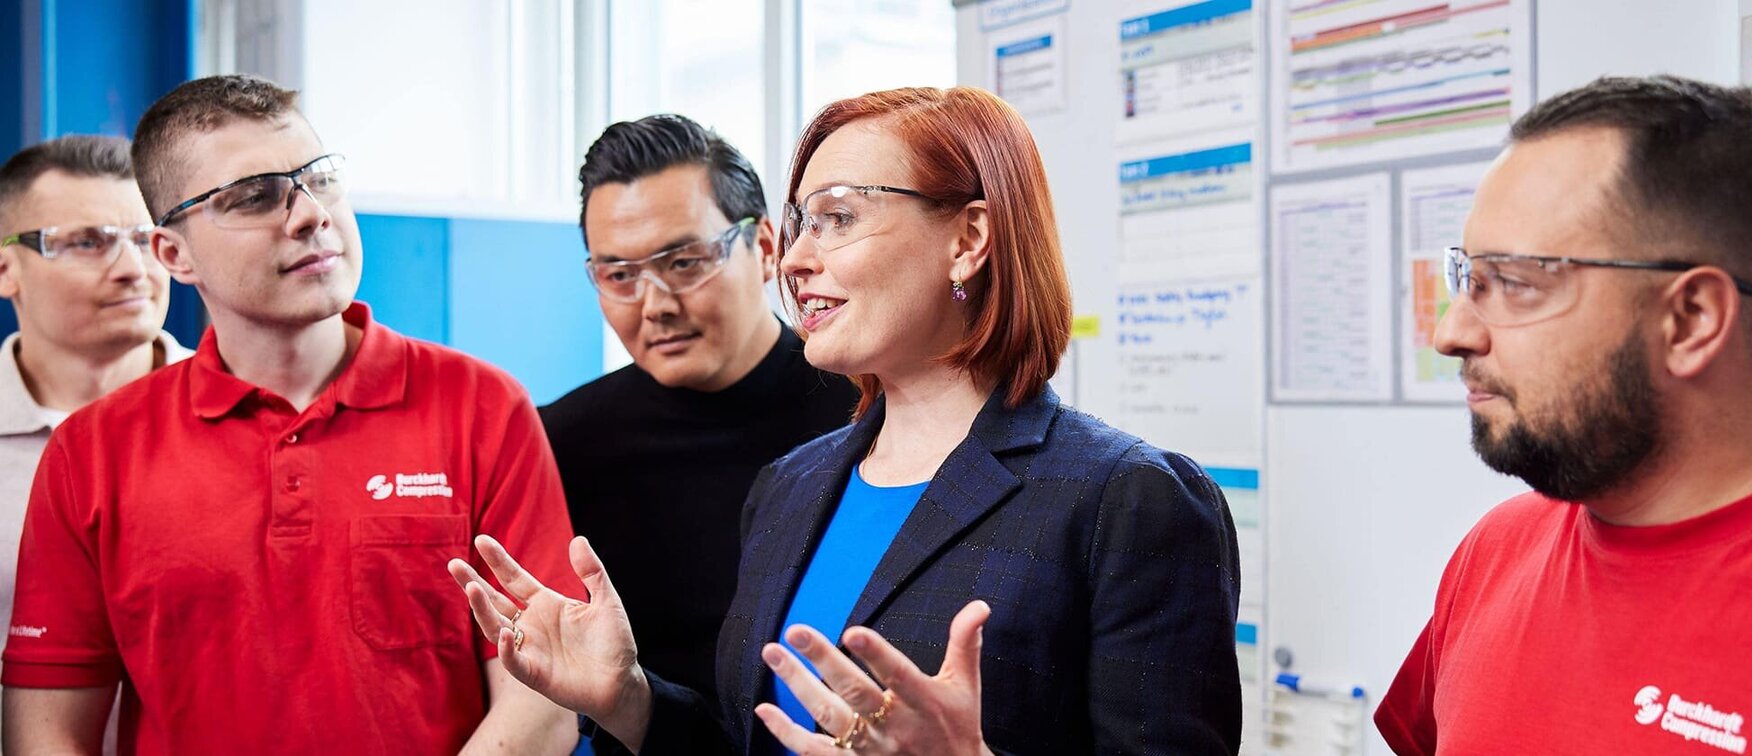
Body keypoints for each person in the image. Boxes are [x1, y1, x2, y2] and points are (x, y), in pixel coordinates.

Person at [452, 86, 1243, 755]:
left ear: (968, 239)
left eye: (837, 218)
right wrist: (629, 698)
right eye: (801, 223)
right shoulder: (792, 486)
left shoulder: (1129, 500)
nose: (795, 261)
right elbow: (752, 741)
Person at [2, 75, 582, 755]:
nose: (311, 215)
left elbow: (541, 703)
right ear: (174, 254)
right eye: (254, 197)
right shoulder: (90, 452)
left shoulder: (482, 408)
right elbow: (46, 735)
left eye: (321, 177)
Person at [1376, 75, 1752, 753]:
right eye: (1469, 279)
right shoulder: (1495, 553)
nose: (1452, 334)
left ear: (1690, 320)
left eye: (1514, 283)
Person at [539, 114, 857, 713]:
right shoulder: (560, 444)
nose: (654, 304)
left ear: (767, 248)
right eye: (620, 275)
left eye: (684, 262)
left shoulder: (870, 416)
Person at [0, 135, 191, 752]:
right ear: (6, 267)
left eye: (145, 239)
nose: (134, 268)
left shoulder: (254, 416)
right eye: (87, 241)